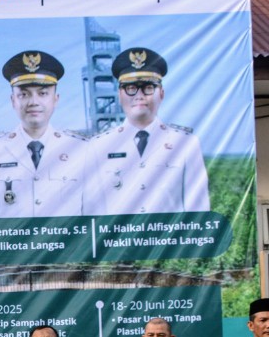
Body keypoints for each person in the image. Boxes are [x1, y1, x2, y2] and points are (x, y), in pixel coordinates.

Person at [86, 47, 210, 215]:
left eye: (148, 87)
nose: (139, 95)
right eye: (130, 88)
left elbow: (198, 212)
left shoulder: (185, 143)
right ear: (119, 95)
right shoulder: (99, 146)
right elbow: (93, 211)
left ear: (162, 94)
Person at [0, 50, 88, 219]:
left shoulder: (81, 149)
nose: (33, 102)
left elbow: (95, 221)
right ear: (13, 101)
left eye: (43, 93)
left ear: (56, 99)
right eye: (24, 94)